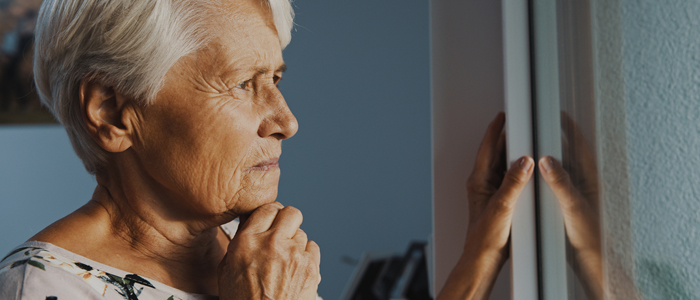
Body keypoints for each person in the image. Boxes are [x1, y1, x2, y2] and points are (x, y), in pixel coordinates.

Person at [0, 0, 602, 299]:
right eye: (242, 84)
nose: (287, 121)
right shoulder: (39, 289)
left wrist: (479, 261)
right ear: (111, 111)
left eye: (277, 80)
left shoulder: (251, 259)